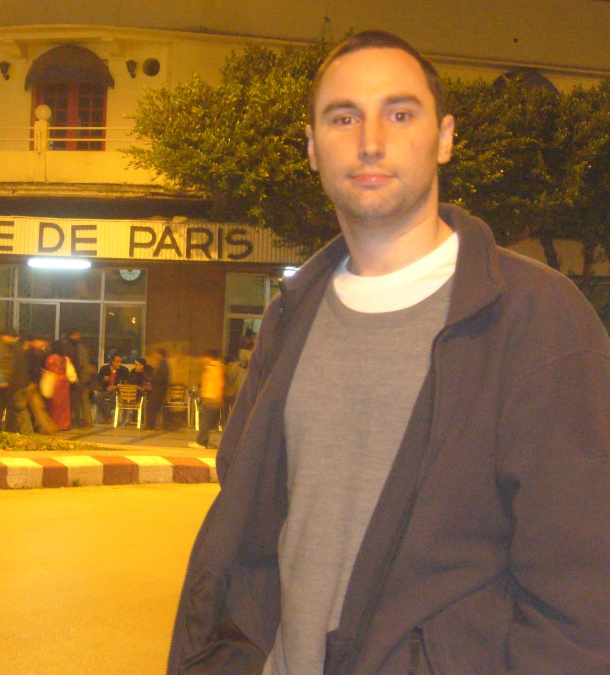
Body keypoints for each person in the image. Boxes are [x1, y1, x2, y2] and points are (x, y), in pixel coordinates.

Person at [168, 31, 610, 674]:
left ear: (445, 137)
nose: (370, 140)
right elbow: (247, 528)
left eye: (400, 114)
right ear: (313, 148)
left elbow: (583, 595)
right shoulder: (291, 316)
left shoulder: (536, 318)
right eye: (343, 118)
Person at [0, 328, 33, 433]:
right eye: (11, 337)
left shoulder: (8, 347)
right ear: (3, 336)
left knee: (6, 407)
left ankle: (3, 428)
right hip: (2, 384)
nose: (12, 339)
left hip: (7, 383)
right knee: (0, 407)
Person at [188, 348, 224, 449]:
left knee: (205, 422)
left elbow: (218, 384)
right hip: (210, 398)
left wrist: (215, 397)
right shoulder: (212, 367)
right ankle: (203, 441)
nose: (202, 359)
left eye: (204, 357)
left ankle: (201, 442)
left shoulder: (214, 368)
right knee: (206, 422)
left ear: (209, 357)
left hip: (212, 399)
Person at [24, 334, 59, 434]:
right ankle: (47, 427)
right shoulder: (32, 352)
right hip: (30, 383)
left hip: (32, 383)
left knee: (36, 407)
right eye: (43, 342)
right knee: (36, 407)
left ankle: (46, 427)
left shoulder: (37, 352)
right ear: (37, 341)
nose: (44, 345)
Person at [61, 329, 95, 427]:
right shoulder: (82, 347)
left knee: (75, 401)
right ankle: (87, 422)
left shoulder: (71, 347)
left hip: (78, 378)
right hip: (85, 377)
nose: (78, 336)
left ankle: (77, 421)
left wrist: (77, 377)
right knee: (84, 401)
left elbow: (77, 363)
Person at [44, 341, 72, 431]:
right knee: (64, 405)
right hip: (65, 382)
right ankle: (65, 424)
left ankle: (55, 424)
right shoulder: (65, 358)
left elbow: (48, 368)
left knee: (54, 405)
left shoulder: (51, 358)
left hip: (55, 381)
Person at [93, 353, 129, 423]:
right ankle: (108, 416)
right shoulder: (104, 369)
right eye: (117, 361)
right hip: (106, 390)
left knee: (113, 397)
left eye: (120, 362)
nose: (119, 363)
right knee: (96, 397)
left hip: (117, 391)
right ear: (112, 362)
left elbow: (126, 382)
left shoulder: (123, 370)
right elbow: (98, 381)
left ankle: (105, 418)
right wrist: (103, 380)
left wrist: (116, 387)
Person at [144, 347, 169, 430]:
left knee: (152, 408)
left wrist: (151, 377)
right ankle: (150, 425)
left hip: (158, 390)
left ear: (160, 355)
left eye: (156, 354)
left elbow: (161, 377)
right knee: (152, 408)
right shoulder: (162, 364)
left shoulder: (164, 365)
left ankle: (150, 426)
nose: (154, 356)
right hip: (157, 390)